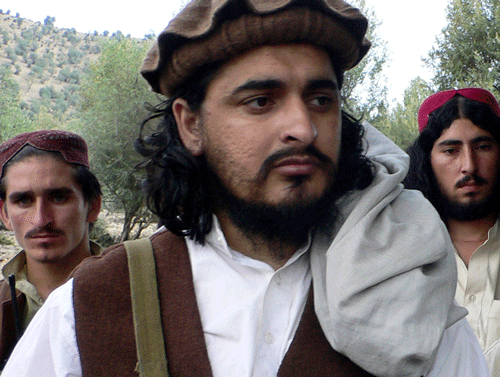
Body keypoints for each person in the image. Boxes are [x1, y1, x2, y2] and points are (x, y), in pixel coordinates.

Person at [2, 1, 489, 376]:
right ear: (191, 125)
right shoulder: (93, 304)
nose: (304, 126)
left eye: (321, 99)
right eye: (261, 101)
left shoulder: (409, 297)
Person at [404, 87, 500, 373]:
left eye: (483, 146)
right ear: (426, 161)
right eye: (450, 150)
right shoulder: (404, 259)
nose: (469, 165)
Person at [0, 130, 102, 366]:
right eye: (23, 201)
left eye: (58, 197)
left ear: (93, 205)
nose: (40, 219)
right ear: (5, 214)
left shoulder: (133, 296)